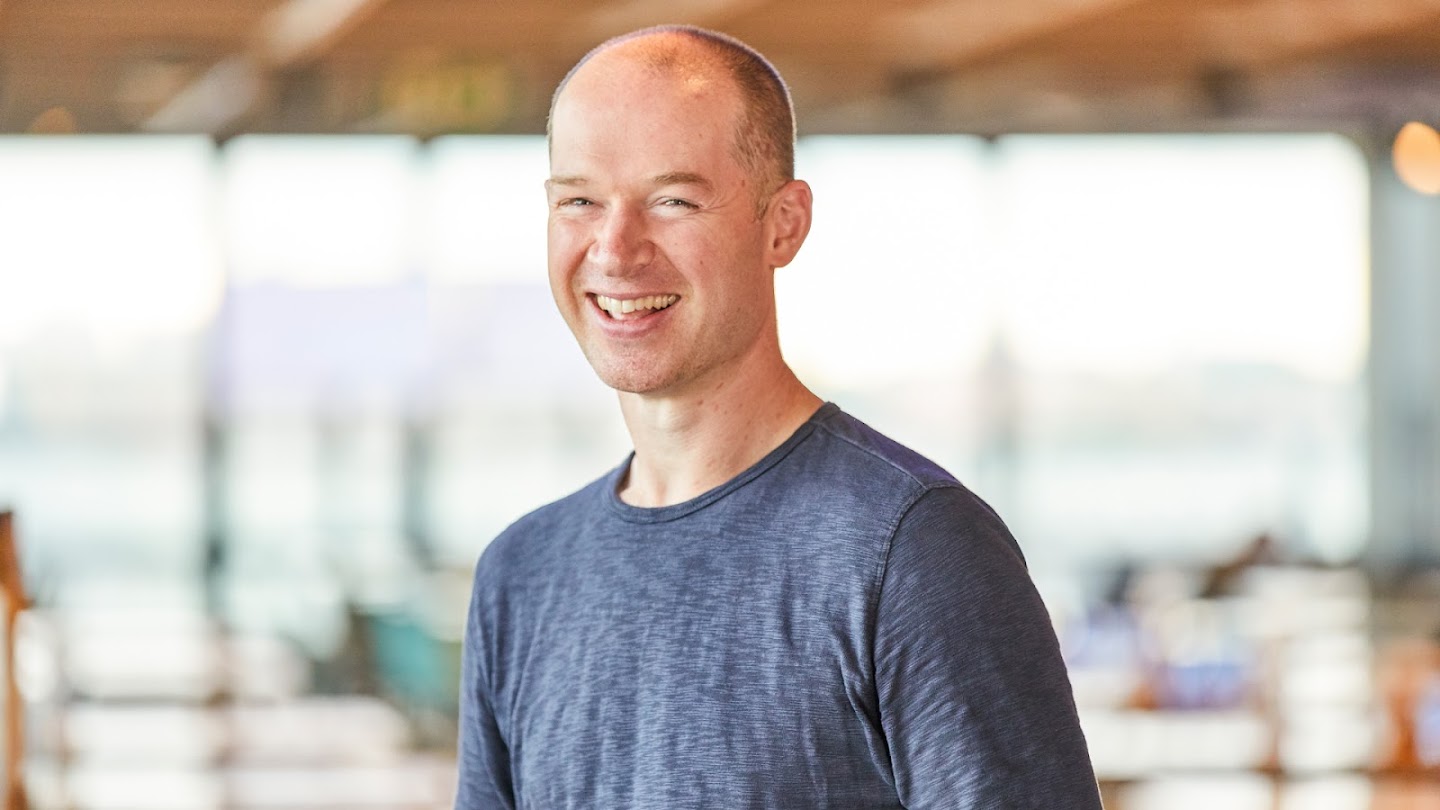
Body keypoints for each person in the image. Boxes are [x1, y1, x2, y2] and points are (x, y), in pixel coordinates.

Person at [454, 25, 1102, 809]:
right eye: (580, 201)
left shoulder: (915, 550)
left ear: (783, 224)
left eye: (673, 200)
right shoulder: (520, 575)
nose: (616, 249)